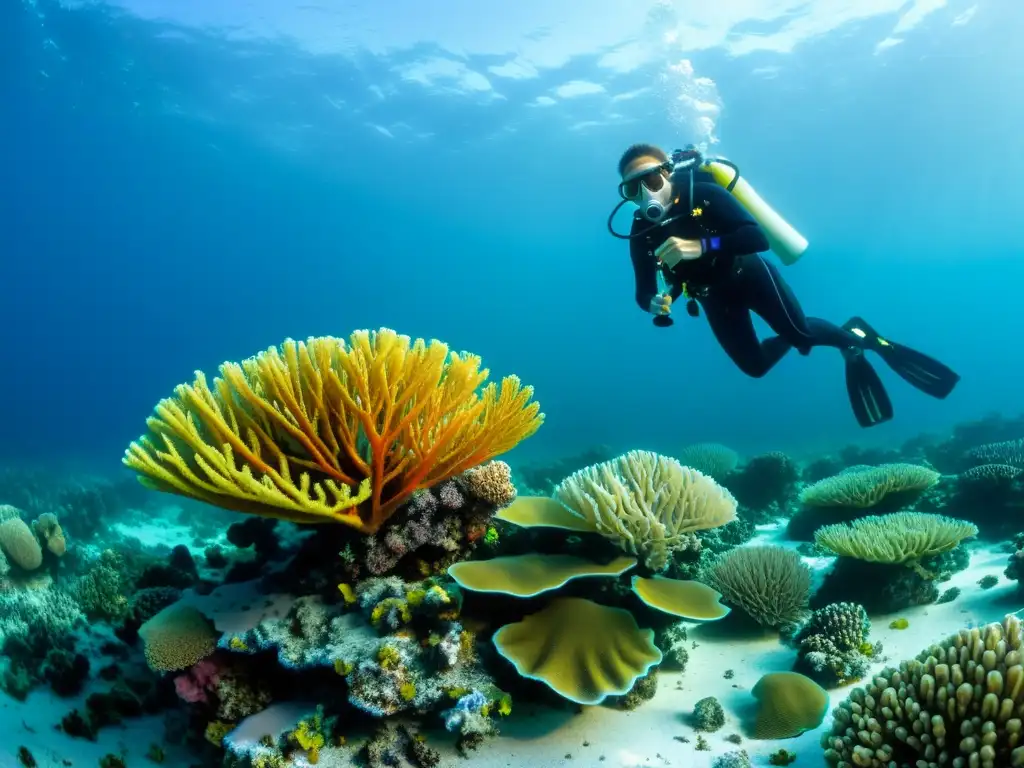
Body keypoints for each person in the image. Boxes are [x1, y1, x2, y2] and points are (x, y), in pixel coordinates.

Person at [608, 142, 960, 428]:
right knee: (755, 367)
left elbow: (755, 237)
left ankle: (856, 339)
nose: (645, 193)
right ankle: (809, 335)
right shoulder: (640, 230)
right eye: (633, 188)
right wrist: (653, 302)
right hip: (712, 296)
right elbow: (642, 289)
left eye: (652, 181)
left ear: (668, 173)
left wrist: (700, 246)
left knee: (803, 337)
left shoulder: (703, 195)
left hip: (750, 275)